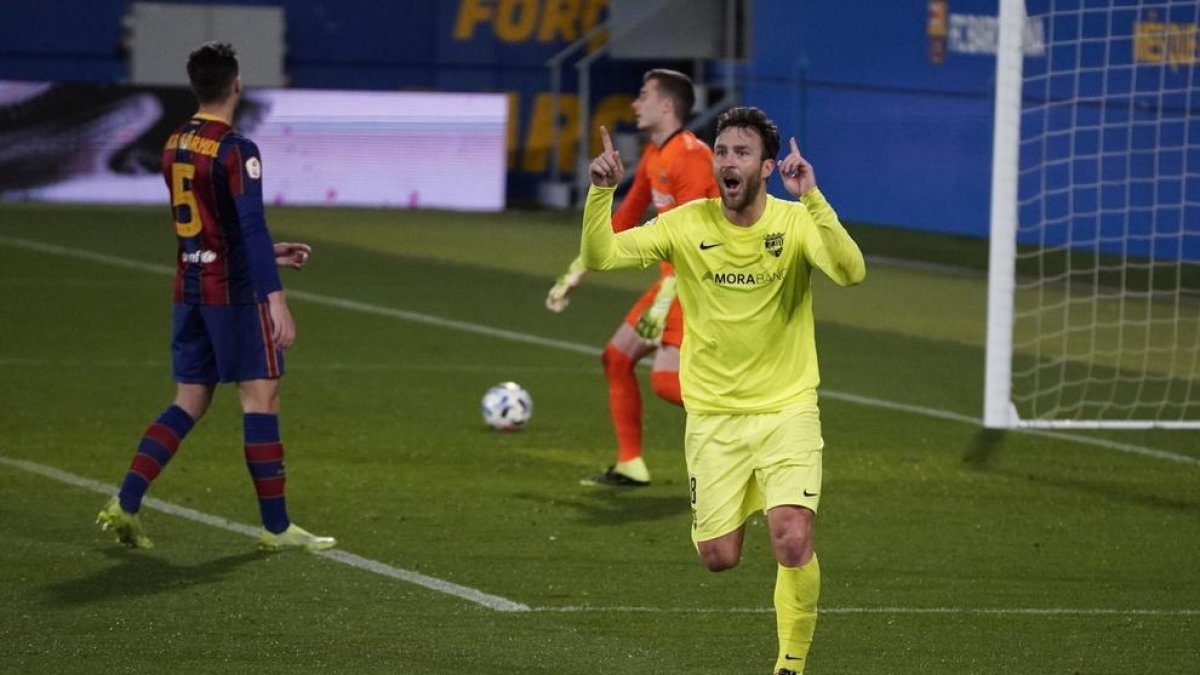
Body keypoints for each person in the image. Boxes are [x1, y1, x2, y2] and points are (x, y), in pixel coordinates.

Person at [580, 107, 866, 675]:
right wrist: (600, 195)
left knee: (790, 537)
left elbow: (850, 270)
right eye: (722, 152)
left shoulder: (794, 222)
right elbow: (602, 256)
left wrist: (813, 197)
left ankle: (790, 663)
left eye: (741, 153)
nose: (728, 162)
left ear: (765, 167)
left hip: (787, 408)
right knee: (719, 557)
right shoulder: (688, 225)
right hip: (713, 416)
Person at [95, 42, 335, 553]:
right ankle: (277, 528)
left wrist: (269, 254)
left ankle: (125, 503)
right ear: (236, 84)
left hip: (189, 286)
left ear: (195, 86)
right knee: (261, 397)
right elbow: (247, 223)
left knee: (188, 401)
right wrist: (275, 296)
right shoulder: (236, 149)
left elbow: (207, 229)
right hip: (232, 292)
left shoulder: (175, 142)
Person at [545, 68, 718, 487]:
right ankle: (630, 464)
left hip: (700, 285)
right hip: (673, 282)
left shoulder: (692, 157)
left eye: (644, 95)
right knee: (617, 357)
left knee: (663, 382)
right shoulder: (654, 156)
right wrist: (578, 270)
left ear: (666, 105)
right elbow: (621, 222)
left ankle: (744, 419)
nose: (635, 103)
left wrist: (666, 299)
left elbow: (696, 235)